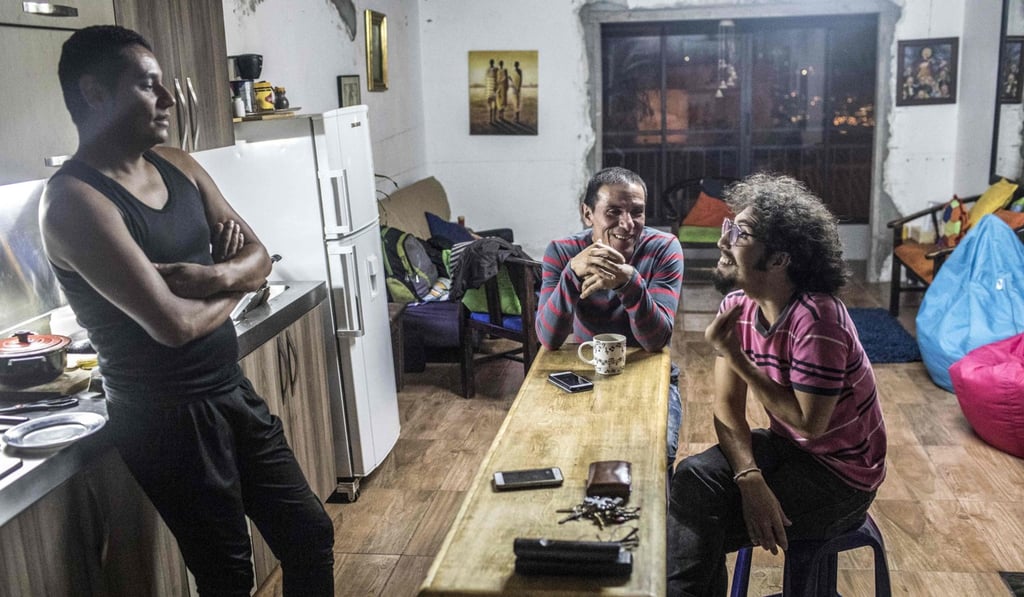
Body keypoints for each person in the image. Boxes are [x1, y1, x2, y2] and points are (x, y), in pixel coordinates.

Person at [40, 25, 334, 596]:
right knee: (228, 577)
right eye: (149, 86)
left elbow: (257, 256)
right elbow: (172, 327)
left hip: (228, 389)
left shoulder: (179, 164)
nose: (170, 100)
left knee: (308, 532)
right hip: (165, 418)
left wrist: (208, 278)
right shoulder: (75, 201)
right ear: (95, 93)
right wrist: (238, 285)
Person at [666, 173, 886, 596]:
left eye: (740, 233)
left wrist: (735, 356)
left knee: (690, 526)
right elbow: (727, 409)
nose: (722, 240)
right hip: (791, 451)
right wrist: (749, 478)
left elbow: (809, 423)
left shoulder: (818, 318)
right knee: (692, 481)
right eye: (729, 228)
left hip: (843, 479)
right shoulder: (737, 305)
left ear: (780, 259)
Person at [535, 167, 684, 466]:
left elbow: (655, 341)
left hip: (648, 374)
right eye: (613, 212)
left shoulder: (664, 249)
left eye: (637, 212)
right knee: (557, 449)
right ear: (588, 214)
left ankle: (658, 513)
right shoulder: (562, 252)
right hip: (585, 373)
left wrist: (628, 283)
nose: (627, 224)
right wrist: (571, 275)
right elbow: (549, 338)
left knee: (656, 454)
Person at [485, 58, 498, 124]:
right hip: (489, 88)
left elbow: (497, 79)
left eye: (492, 62)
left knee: (494, 104)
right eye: (491, 62)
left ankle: (494, 119)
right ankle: (491, 119)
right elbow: (487, 80)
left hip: (493, 88)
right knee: (490, 104)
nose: (491, 63)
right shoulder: (488, 70)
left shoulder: (496, 69)